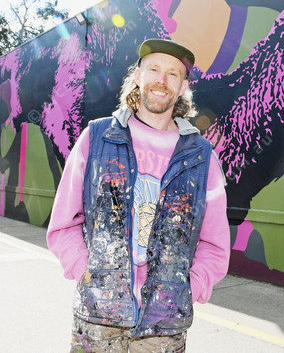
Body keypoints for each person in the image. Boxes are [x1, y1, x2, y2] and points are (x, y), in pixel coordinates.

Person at [47, 38, 230, 352]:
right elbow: (63, 224)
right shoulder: (97, 137)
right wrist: (87, 274)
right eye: (154, 69)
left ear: (183, 86)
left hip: (164, 326)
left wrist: (188, 290)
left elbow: (215, 244)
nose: (162, 80)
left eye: (172, 74)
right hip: (98, 318)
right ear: (137, 76)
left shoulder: (201, 156)